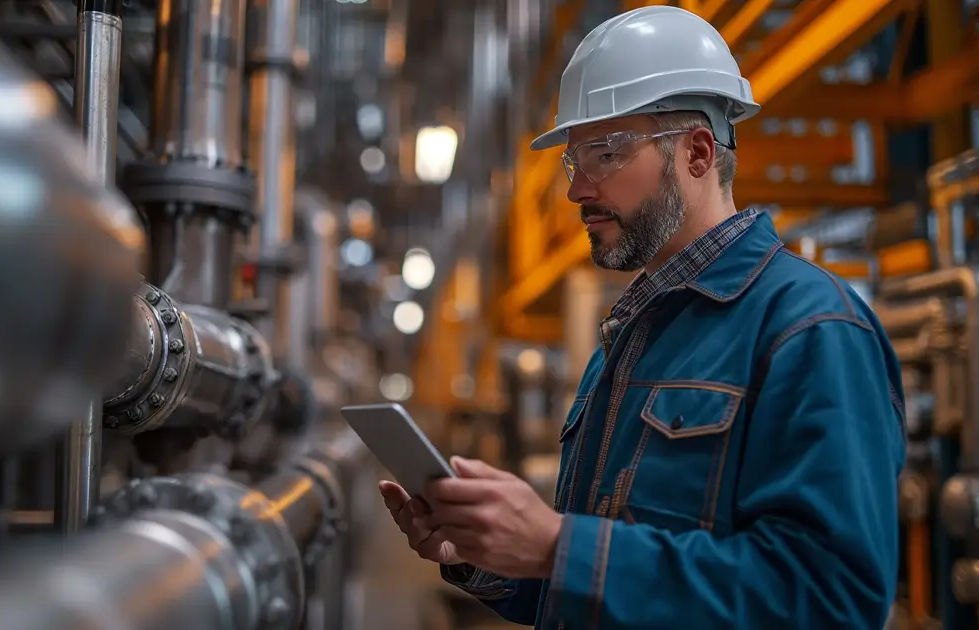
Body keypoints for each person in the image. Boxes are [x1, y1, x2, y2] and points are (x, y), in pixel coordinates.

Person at [379, 6, 905, 629]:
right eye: (575, 162)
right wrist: (486, 552)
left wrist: (557, 546)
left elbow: (831, 602)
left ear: (699, 153)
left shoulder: (810, 330)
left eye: (606, 154)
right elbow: (596, 589)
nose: (577, 189)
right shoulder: (634, 333)